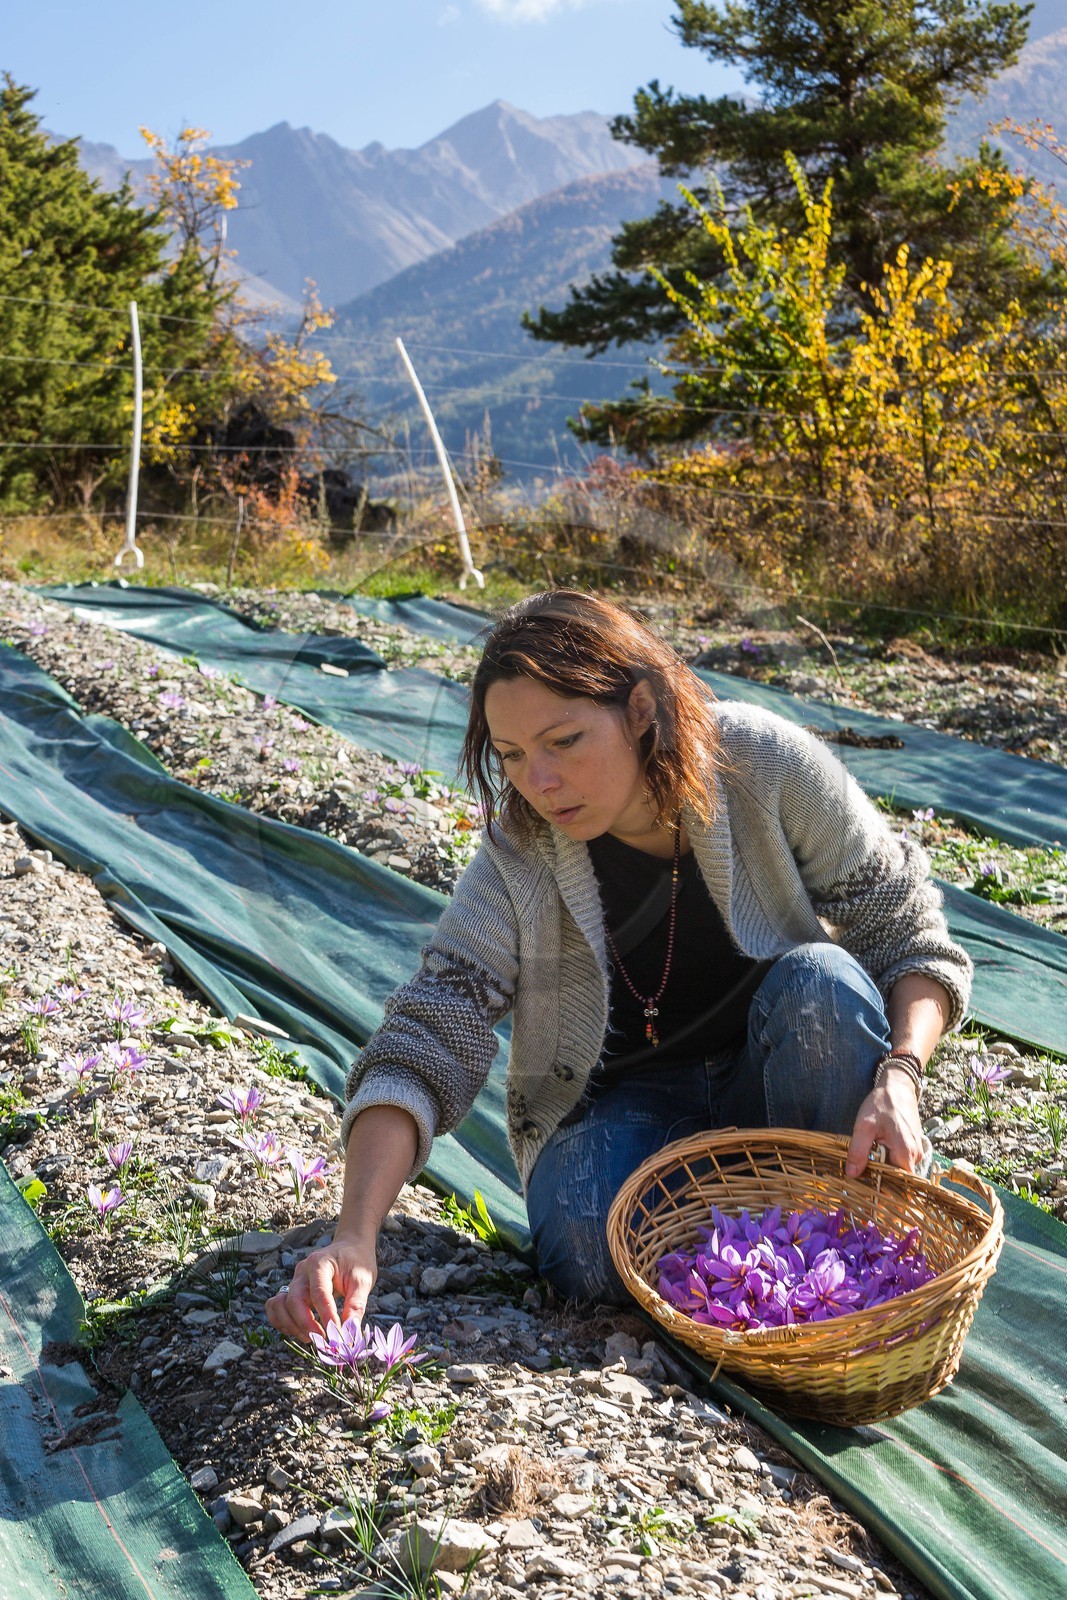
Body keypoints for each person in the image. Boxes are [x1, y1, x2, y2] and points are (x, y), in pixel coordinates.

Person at [267, 590, 972, 1341]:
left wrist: (899, 1076)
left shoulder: (761, 763)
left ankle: (819, 1243)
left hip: (781, 1075)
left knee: (822, 985)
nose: (538, 782)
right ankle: (758, 1261)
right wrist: (353, 1236)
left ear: (640, 709)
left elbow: (906, 927)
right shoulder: (519, 859)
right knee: (586, 1253)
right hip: (627, 1109)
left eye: (563, 740)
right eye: (511, 756)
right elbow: (429, 1036)